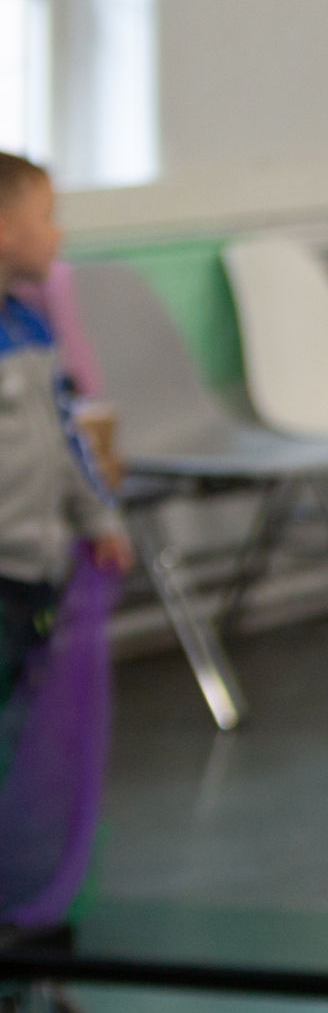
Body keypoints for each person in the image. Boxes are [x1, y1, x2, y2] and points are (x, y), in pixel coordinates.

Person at [0, 154, 129, 778]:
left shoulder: (28, 328)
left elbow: (66, 434)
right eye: (47, 218)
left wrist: (99, 518)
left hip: (34, 576)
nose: (59, 234)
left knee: (18, 728)